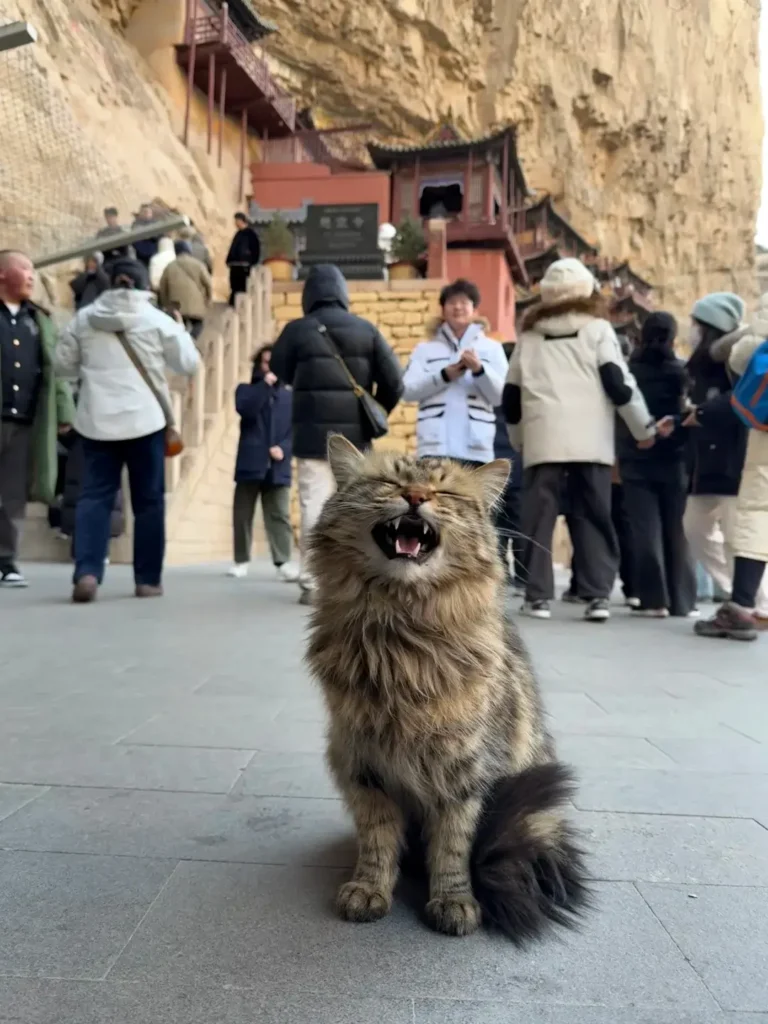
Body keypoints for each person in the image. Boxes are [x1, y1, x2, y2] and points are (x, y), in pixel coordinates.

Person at [503, 257, 656, 622]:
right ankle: (597, 594)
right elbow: (618, 383)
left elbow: (511, 395)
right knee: (594, 514)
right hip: (591, 442)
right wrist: (643, 428)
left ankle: (537, 596)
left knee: (538, 519)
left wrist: (519, 438)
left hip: (543, 439)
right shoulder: (598, 329)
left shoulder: (529, 336)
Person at [54, 258, 199, 603]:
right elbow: (189, 363)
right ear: (143, 284)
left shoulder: (85, 319)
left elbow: (62, 365)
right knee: (148, 503)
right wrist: (179, 328)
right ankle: (147, 580)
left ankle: (87, 572)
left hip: (96, 422)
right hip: (145, 422)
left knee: (94, 497)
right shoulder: (156, 319)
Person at [270, 263, 403, 604]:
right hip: (355, 439)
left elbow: (278, 370)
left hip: (312, 436)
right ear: (343, 294)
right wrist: (375, 411)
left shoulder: (297, 330)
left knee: (315, 502)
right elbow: (394, 382)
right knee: (359, 505)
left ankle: (315, 582)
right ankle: (359, 579)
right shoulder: (366, 330)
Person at [681, 291, 768, 619]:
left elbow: (740, 397)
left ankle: (756, 604)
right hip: (705, 461)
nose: (691, 330)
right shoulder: (700, 365)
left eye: (696, 324)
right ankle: (741, 597)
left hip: (739, 456)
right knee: (695, 527)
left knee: (741, 533)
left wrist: (703, 413)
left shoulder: (737, 355)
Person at [0, 250, 75, 587]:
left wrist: (64, 411)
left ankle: (7, 561)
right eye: (24, 268)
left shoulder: (39, 319)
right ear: (3, 274)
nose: (31, 276)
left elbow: (55, 371)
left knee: (13, 495)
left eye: (32, 270)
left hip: (26, 420)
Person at [617, 312, 697, 617]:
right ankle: (683, 602)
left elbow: (621, 411)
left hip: (635, 458)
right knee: (678, 531)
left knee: (645, 531)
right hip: (674, 459)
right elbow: (688, 414)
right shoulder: (681, 372)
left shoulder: (629, 371)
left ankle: (654, 600)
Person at [402, 278, 508, 465]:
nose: (457, 307)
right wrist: (443, 376)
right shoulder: (424, 350)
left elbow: (501, 397)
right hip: (434, 448)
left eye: (464, 303)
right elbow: (407, 391)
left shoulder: (492, 349)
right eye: (451, 302)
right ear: (443, 310)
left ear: (474, 310)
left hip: (476, 449)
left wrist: (479, 370)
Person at [228, 344, 298, 582]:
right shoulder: (246, 390)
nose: (270, 367)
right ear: (259, 365)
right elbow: (245, 410)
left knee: (279, 514)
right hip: (250, 461)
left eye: (274, 362)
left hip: (278, 465)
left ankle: (283, 562)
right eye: (266, 362)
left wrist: (285, 448)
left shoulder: (290, 396)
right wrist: (264, 386)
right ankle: (240, 561)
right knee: (242, 514)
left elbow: (295, 430)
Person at [494, 343, 524, 588]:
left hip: (493, 464)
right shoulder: (520, 389)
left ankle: (501, 572)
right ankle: (524, 579)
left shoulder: (489, 389)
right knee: (521, 522)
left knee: (496, 523)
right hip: (519, 462)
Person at [157, 240, 212, 340]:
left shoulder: (170, 266)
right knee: (198, 324)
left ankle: (185, 342)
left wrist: (166, 304)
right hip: (195, 303)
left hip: (176, 305)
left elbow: (163, 287)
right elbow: (208, 284)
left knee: (179, 326)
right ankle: (191, 339)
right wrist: (208, 300)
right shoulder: (198, 265)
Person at [226, 212, 261, 306]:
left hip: (244, 265)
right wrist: (229, 260)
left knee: (242, 286)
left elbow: (256, 250)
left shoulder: (251, 235)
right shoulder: (238, 234)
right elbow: (232, 248)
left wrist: (252, 262)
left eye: (236, 220)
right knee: (234, 285)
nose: (235, 223)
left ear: (241, 221)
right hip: (235, 265)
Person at [96, 207, 132, 273]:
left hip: (121, 261)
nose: (109, 219)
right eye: (107, 217)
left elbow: (126, 251)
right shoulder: (102, 233)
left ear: (116, 217)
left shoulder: (123, 233)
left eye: (111, 217)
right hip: (106, 260)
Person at [132, 203, 162, 269]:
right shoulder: (136, 224)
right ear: (140, 213)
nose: (146, 214)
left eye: (148, 212)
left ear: (151, 213)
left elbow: (158, 236)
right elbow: (133, 238)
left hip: (154, 254)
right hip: (141, 255)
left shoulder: (155, 223)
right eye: (144, 212)